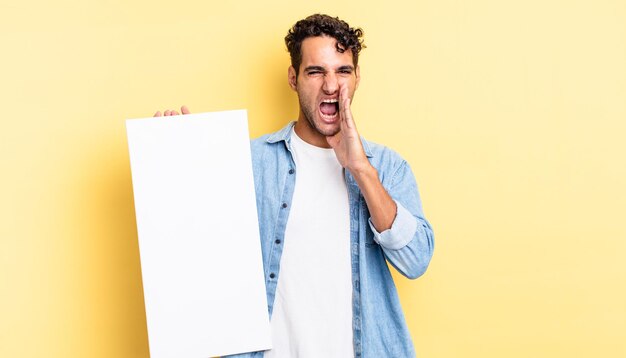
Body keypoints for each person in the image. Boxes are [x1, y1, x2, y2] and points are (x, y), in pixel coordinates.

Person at [155, 14, 434, 358]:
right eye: (316, 71)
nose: (331, 86)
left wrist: (361, 169)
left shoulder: (387, 167)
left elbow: (416, 259)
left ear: (358, 77)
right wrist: (171, 166)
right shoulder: (248, 162)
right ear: (293, 77)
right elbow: (193, 247)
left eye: (343, 71)